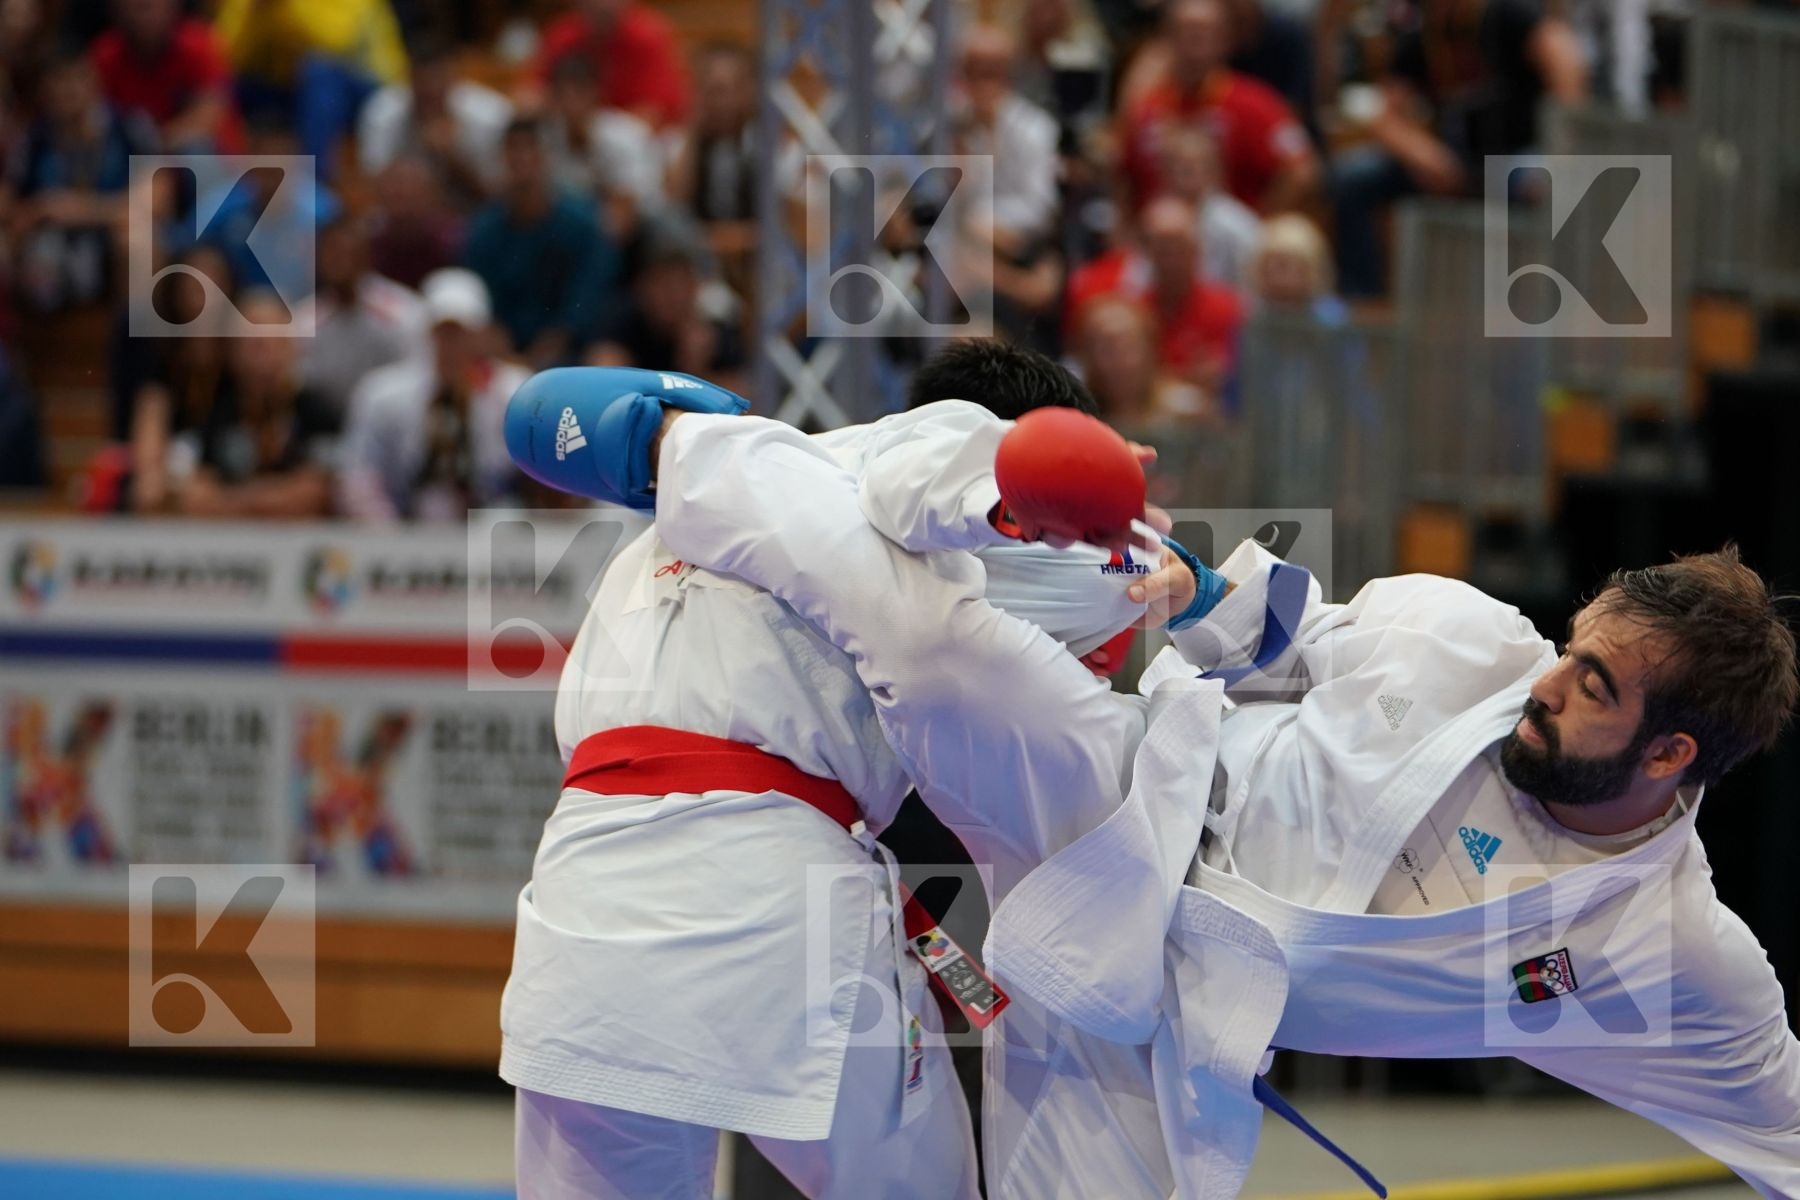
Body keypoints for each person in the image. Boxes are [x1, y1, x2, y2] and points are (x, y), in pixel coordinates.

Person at [633, 406, 1800, 1198]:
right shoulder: (1472, 643)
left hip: (1148, 1029)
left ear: (1669, 757)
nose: (1544, 684)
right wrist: (1194, 591)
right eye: (1571, 646)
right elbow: (1287, 638)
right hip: (1121, 802)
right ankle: (678, 445)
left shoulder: (1669, 956)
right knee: (943, 644)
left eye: (1591, 687)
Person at [498, 343, 1194, 1200]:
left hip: (581, 901)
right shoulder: (925, 461)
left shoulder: (683, 514)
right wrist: (1108, 533)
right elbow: (970, 494)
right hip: (767, 887)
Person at [1327, 0, 1587, 296]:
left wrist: (1562, 153)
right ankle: (1362, 301)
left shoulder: (1509, 15)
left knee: (1543, 184)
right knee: (1353, 178)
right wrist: (1424, 154)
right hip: (1454, 163)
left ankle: (1539, 306)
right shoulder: (1424, 36)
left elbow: (1564, 64)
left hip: (1519, 156)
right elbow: (1384, 120)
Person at [337, 268, 525, 522]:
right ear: (426, 332)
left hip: (493, 522)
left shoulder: (514, 392)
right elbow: (358, 475)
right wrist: (389, 536)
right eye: (442, 332)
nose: (450, 344)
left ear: (482, 334)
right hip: (403, 522)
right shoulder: (383, 393)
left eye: (460, 333)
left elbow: (522, 476)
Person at [1116, 0, 1316, 213]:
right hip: (1158, 233)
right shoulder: (1146, 106)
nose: (1195, 40)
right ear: (1167, 37)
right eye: (1187, 31)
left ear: (1226, 40)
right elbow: (1120, 174)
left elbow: (1301, 170)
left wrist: (1260, 226)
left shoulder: (1256, 104)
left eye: (1205, 32)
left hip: (1236, 234)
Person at [461, 116, 620, 369]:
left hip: (571, 353)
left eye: (530, 148)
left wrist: (561, 336)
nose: (521, 158)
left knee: (608, 359)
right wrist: (493, 334)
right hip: (500, 354)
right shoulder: (483, 230)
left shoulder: (582, 225)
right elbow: (475, 294)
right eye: (513, 149)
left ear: (548, 158)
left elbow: (591, 296)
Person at [174, 290, 339, 518]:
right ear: (232, 352)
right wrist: (273, 498)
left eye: (268, 342)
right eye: (252, 344)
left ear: (291, 348)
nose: (261, 356)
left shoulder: (317, 412)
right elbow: (195, 497)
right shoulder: (214, 411)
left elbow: (315, 496)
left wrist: (230, 500)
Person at [7, 53, 152, 312]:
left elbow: (154, 201)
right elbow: (15, 204)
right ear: (45, 91)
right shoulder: (34, 140)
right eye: (58, 82)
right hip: (50, 243)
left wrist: (70, 209)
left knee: (137, 239)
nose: (68, 90)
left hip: (109, 240)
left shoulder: (129, 127)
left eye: (76, 78)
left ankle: (135, 343)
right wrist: (34, 213)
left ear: (94, 81)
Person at [1066, 195, 1245, 398]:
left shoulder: (1230, 309)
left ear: (1197, 250)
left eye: (1179, 246)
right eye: (1162, 248)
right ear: (1146, 253)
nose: (1171, 258)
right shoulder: (1130, 315)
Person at [294, 213, 428, 422]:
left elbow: (419, 378)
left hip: (391, 424)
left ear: (366, 257)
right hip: (325, 425)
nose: (339, 262)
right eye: (332, 253)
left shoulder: (402, 313)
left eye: (348, 253)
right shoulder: (304, 320)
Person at [356, 33, 512, 211]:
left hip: (476, 217)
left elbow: (502, 197)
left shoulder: (491, 116)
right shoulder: (383, 113)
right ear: (409, 79)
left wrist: (453, 158)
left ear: (453, 78)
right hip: (405, 217)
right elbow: (372, 186)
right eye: (422, 82)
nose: (430, 89)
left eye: (437, 80)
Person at [88, 0, 243, 154]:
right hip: (135, 152)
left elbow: (212, 113)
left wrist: (159, 142)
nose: (142, 14)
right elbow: (92, 116)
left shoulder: (198, 43)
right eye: (133, 5)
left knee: (195, 149)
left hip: (207, 156)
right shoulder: (106, 54)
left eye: (148, 5)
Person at [523, 0, 690, 131]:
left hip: (635, 138)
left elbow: (654, 114)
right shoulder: (561, 35)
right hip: (572, 134)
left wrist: (598, 129)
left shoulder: (648, 36)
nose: (601, 4)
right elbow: (530, 97)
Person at [1158, 124, 1261, 293]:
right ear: (1166, 171)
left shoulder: (1238, 224)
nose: (1189, 170)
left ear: (1216, 169)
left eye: (1199, 163)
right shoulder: (1155, 219)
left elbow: (1252, 287)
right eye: (1181, 164)